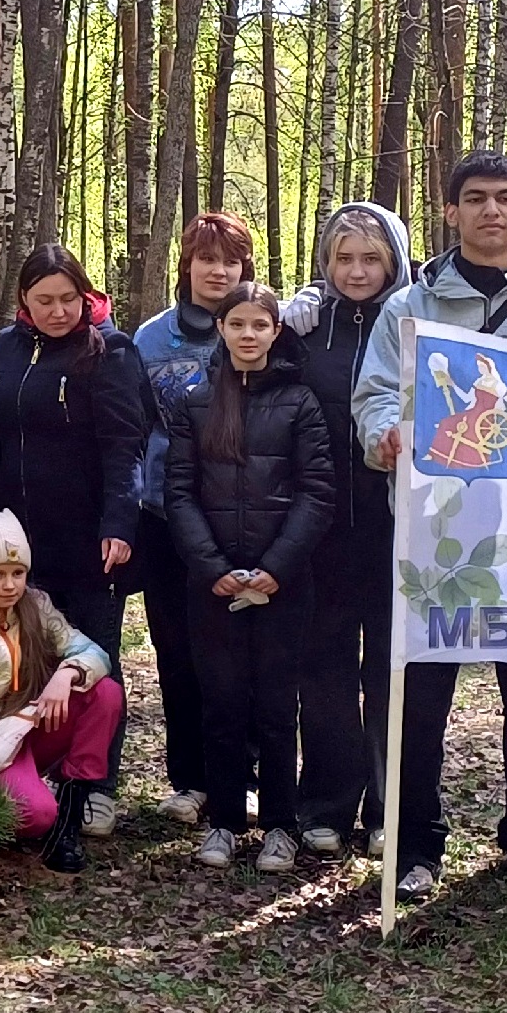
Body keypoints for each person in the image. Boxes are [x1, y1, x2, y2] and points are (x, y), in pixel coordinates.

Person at [354, 151, 507, 898]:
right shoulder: (411, 309)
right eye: (475, 198)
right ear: (451, 212)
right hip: (436, 535)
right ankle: (413, 843)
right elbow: (373, 397)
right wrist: (385, 437)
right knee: (419, 694)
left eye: (505, 197)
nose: (491, 210)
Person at [164, 285, 336, 872]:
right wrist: (212, 569)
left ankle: (281, 825)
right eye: (236, 323)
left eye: (259, 325)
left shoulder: (300, 401)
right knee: (222, 702)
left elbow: (317, 494)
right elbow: (179, 493)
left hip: (283, 585)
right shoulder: (193, 401)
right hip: (211, 586)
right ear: (220, 328)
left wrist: (273, 570)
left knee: (275, 704)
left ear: (274, 331)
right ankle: (224, 823)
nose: (247, 335)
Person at [0, 244, 147, 836]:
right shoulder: (7, 346)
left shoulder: (111, 350)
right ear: (23, 302)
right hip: (21, 544)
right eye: (44, 300)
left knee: (94, 660)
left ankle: (96, 786)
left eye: (68, 299)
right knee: (26, 659)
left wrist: (119, 524)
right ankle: (20, 768)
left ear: (86, 295)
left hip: (90, 539)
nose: (58, 312)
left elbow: (126, 447)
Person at [292, 203, 413, 855]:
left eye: (372, 259)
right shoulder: (308, 327)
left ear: (394, 260)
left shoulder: (418, 321)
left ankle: (391, 808)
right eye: (345, 259)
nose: (358, 271)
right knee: (326, 668)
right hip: (324, 525)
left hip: (401, 524)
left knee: (393, 671)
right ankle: (328, 805)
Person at [131, 213, 257, 823]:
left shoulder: (261, 326)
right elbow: (132, 425)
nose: (219, 271)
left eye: (231, 261)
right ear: (187, 265)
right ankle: (190, 779)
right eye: (207, 260)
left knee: (239, 649)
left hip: (241, 516)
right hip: (164, 517)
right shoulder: (150, 340)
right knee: (175, 648)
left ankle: (245, 775)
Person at [0, 511, 121, 872]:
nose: (10, 585)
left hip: (28, 726)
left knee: (105, 693)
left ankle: (70, 821)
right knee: (35, 816)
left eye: (18, 573)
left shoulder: (35, 607)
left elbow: (94, 653)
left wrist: (67, 674)